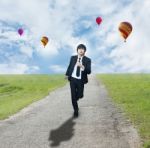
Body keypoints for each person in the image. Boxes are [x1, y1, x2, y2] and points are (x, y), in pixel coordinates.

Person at [65, 44, 91, 117]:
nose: (81, 50)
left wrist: (82, 66)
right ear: (77, 50)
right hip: (73, 79)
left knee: (80, 95)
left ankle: (76, 98)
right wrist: (67, 74)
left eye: (82, 49)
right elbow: (70, 66)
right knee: (73, 96)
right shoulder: (73, 58)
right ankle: (76, 110)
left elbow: (89, 71)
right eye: (79, 49)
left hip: (81, 80)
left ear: (84, 51)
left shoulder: (87, 60)